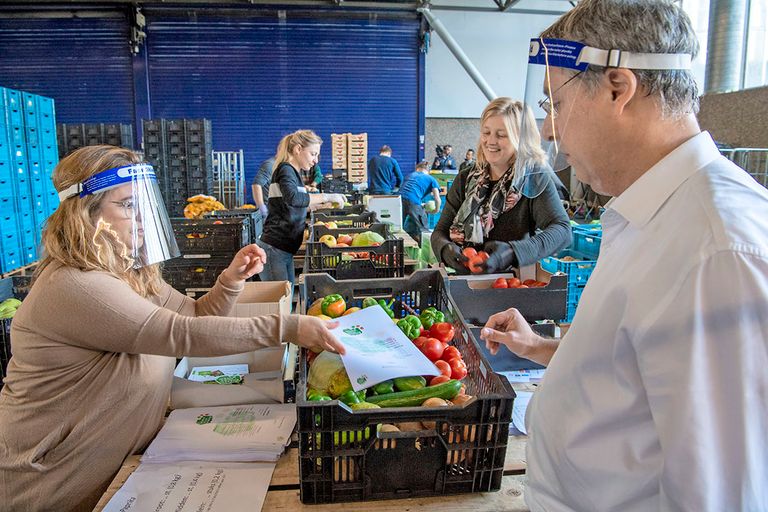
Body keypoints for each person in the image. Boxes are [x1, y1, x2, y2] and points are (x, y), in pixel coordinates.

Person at [479, 1, 768, 510]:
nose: (549, 130)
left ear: (618, 88)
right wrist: (542, 349)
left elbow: (721, 494)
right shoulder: (650, 214)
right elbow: (638, 364)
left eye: (555, 104)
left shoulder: (716, 250)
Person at [0, 145, 345, 512]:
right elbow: (181, 334)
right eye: (128, 205)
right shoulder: (75, 285)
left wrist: (230, 280)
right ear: (85, 213)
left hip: (119, 475)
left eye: (143, 205)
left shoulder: (129, 274)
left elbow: (195, 316)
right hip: (52, 483)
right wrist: (287, 326)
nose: (142, 219)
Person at [431, 97, 571, 275]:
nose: (491, 141)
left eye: (501, 135)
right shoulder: (466, 178)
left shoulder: (532, 179)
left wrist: (514, 252)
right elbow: (440, 232)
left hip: (510, 286)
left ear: (520, 139)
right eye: (486, 132)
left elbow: (562, 231)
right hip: (464, 283)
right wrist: (445, 249)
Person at [257, 130, 345, 289]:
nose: (315, 160)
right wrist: (327, 196)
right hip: (275, 248)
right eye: (313, 154)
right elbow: (294, 198)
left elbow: (298, 205)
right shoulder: (285, 169)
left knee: (286, 300)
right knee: (280, 305)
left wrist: (328, 204)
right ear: (298, 149)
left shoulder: (294, 173)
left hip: (284, 249)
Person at [399, 160, 442, 246]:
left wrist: (420, 205)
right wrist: (436, 210)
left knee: (399, 227)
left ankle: (403, 248)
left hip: (398, 201)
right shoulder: (431, 179)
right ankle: (425, 252)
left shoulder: (409, 175)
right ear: (428, 171)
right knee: (424, 229)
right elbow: (437, 198)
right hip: (413, 202)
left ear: (417, 168)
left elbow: (407, 194)